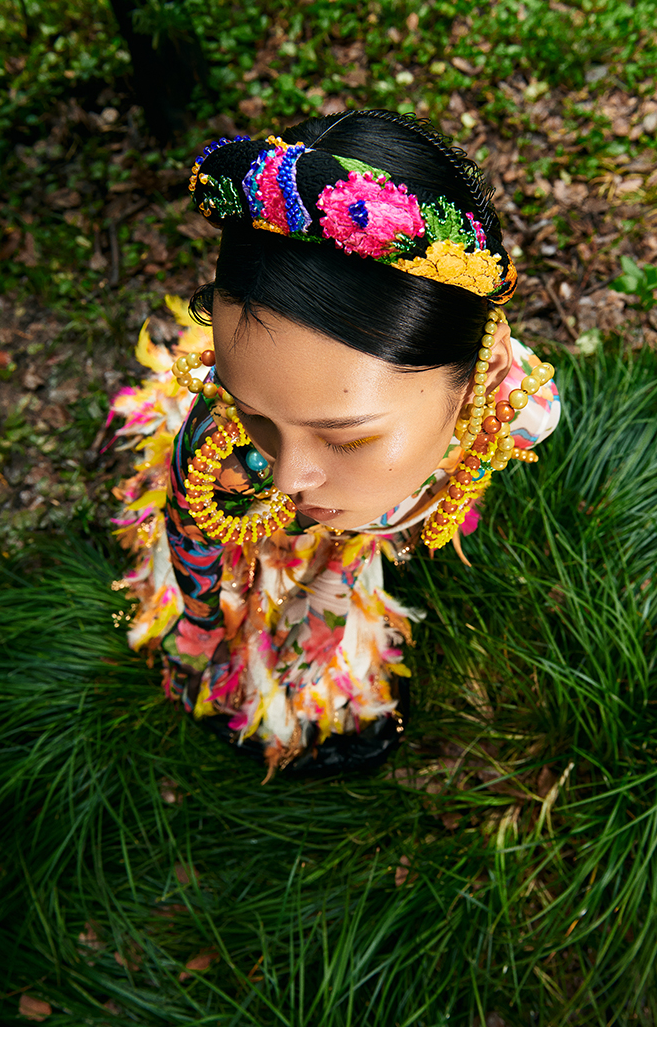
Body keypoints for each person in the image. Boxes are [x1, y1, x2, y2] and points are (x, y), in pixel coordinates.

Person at [110, 109, 560, 780]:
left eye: (347, 439)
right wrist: (202, 626)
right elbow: (195, 560)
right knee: (269, 631)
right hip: (258, 550)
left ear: (481, 377)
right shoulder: (222, 468)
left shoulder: (520, 410)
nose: (286, 479)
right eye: (254, 412)